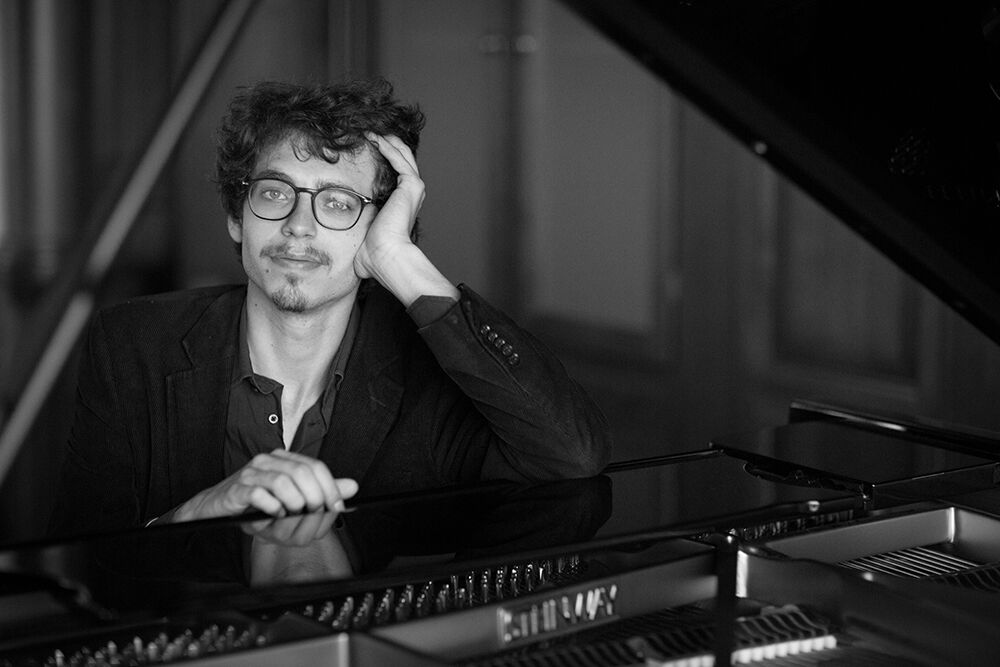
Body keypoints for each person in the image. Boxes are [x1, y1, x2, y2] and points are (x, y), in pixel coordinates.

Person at [48, 78, 612, 537]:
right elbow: (77, 560)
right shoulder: (133, 342)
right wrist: (194, 516)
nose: (299, 226)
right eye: (274, 193)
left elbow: (570, 455)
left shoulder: (430, 370)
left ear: (378, 228)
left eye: (339, 204)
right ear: (236, 217)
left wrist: (400, 260)